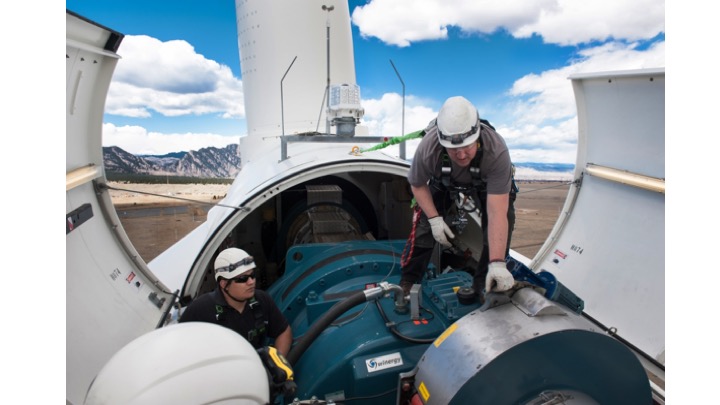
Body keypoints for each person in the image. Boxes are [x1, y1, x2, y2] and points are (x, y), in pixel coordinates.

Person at [400, 96, 517, 298]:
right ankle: (408, 282)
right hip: (443, 182)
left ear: (477, 138)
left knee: (499, 225)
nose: (461, 155)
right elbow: (417, 184)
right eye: (453, 150)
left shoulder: (496, 151)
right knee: (424, 229)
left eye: (467, 147)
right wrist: (435, 219)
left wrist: (497, 262)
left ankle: (485, 283)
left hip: (485, 184)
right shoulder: (429, 148)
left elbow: (497, 213)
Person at [179, 247, 293, 356]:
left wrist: (279, 363)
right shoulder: (201, 309)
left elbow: (283, 331)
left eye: (252, 275)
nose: (251, 282)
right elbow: (179, 345)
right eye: (242, 279)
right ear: (224, 284)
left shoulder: (262, 300)